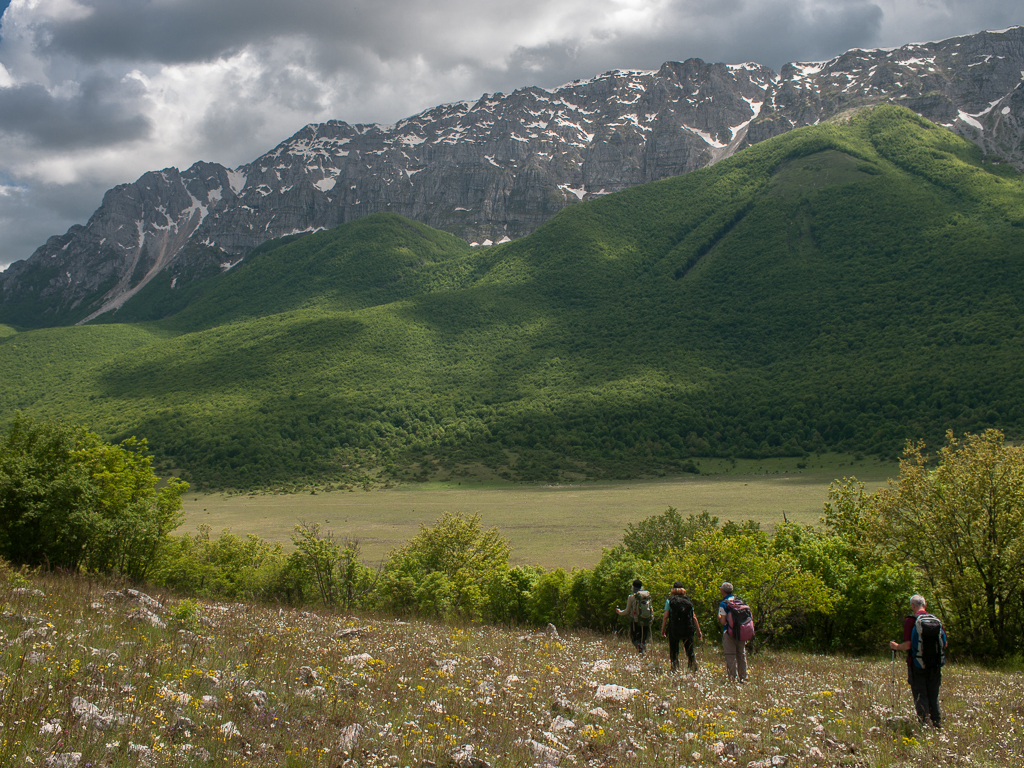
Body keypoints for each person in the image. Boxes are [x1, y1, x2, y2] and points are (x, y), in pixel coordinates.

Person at [889, 594, 948, 728]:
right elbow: (945, 644)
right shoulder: (936, 620)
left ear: (913, 606)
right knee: (933, 694)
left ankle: (924, 726)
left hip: (916, 664)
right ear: (925, 605)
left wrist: (896, 646)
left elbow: (908, 645)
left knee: (921, 695)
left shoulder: (911, 620)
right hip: (935, 665)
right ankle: (937, 724)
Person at [661, 582, 703, 672]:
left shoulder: (670, 601)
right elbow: (694, 617)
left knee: (674, 650)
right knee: (689, 650)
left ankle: (674, 669)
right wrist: (699, 631)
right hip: (688, 628)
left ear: (673, 590)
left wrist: (663, 629)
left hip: (674, 629)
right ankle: (693, 668)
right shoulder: (688, 601)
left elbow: (665, 616)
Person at [717, 582, 748, 683]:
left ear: (722, 590)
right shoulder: (739, 601)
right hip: (742, 631)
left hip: (729, 632)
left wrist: (719, 617)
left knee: (731, 655)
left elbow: (722, 621)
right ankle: (744, 677)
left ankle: (733, 678)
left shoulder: (724, 603)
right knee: (741, 655)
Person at [616, 578, 652, 653]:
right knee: (643, 640)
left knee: (635, 639)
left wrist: (619, 612)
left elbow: (627, 611)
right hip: (646, 620)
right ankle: (644, 654)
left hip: (635, 621)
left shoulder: (631, 597)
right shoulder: (647, 595)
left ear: (633, 587)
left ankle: (642, 653)